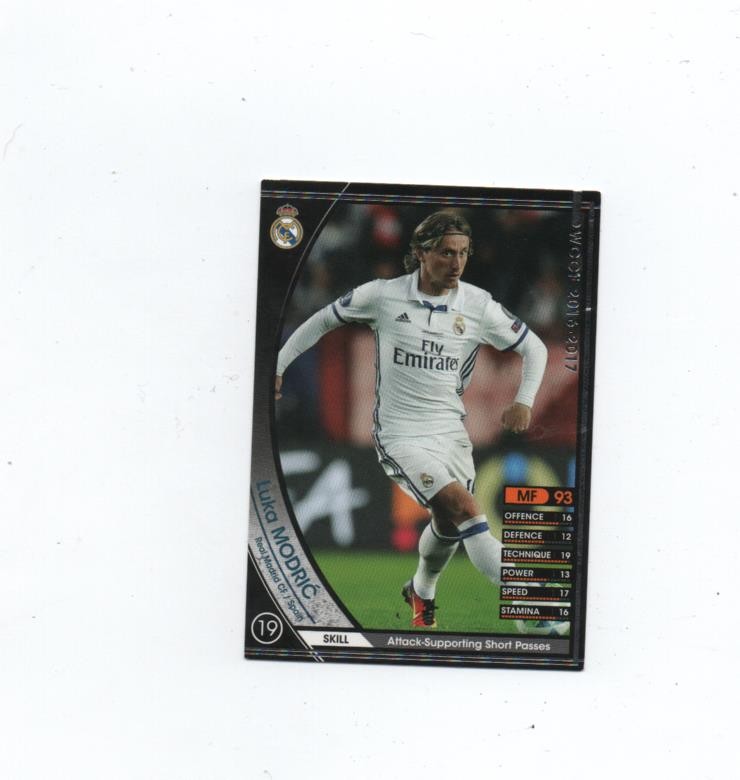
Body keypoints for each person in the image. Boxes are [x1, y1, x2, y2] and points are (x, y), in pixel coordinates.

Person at [275, 211, 548, 628]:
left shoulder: (477, 305)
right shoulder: (383, 296)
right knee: (465, 509)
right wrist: (278, 366)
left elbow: (535, 348)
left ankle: (421, 589)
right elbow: (322, 320)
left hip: (451, 433)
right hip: (401, 434)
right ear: (421, 253)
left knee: (448, 524)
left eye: (463, 253)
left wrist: (524, 401)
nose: (456, 263)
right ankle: (532, 605)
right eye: (446, 253)